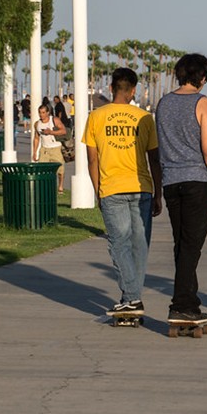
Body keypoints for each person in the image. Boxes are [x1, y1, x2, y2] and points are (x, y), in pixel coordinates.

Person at [83, 67, 163, 315]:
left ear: (111, 88)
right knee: (139, 246)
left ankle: (131, 297)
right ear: (133, 90)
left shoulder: (96, 116)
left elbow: (92, 160)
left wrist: (98, 191)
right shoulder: (144, 118)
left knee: (119, 245)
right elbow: (154, 160)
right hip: (142, 188)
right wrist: (158, 193)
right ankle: (132, 297)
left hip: (112, 188)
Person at [155, 53, 207, 325]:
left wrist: (158, 189)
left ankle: (190, 302)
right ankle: (181, 305)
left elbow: (161, 147)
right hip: (197, 181)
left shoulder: (163, 103)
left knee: (182, 244)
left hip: (171, 181)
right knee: (191, 246)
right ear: (201, 77)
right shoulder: (204, 103)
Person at [32, 103, 67, 193]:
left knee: (60, 170)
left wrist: (51, 132)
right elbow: (36, 138)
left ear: (48, 112)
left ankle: (60, 186)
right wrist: (35, 152)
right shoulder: (37, 124)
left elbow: (63, 131)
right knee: (42, 170)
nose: (41, 115)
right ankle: (44, 187)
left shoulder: (54, 120)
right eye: (40, 113)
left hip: (56, 148)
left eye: (43, 112)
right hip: (44, 149)